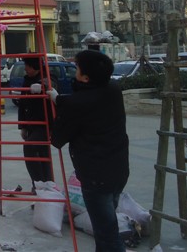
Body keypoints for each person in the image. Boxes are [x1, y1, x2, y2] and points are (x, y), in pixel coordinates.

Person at [47, 50, 129, 252]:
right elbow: (88, 100)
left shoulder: (77, 104)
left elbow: (57, 139)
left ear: (85, 77)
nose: (75, 70)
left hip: (95, 175)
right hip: (118, 170)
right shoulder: (113, 89)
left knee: (106, 233)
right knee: (108, 224)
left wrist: (58, 107)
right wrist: (61, 100)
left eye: (77, 68)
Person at [16, 56, 53, 187]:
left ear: (34, 67)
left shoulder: (46, 76)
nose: (25, 68)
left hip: (44, 124)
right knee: (42, 154)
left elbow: (49, 84)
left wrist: (42, 86)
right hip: (30, 123)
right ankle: (44, 185)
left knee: (31, 149)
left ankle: (40, 185)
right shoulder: (27, 80)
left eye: (27, 65)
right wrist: (22, 126)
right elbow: (22, 104)